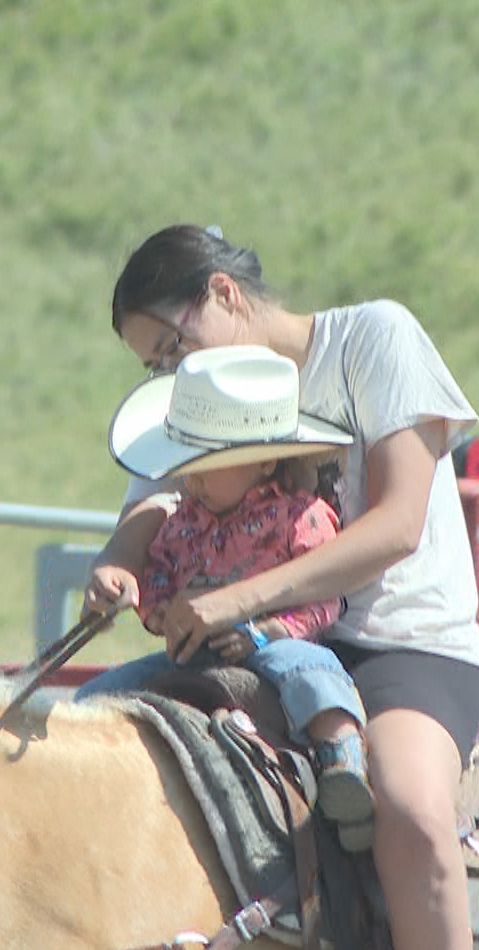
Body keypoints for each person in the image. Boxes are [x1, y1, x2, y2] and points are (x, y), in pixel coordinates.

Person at [81, 224, 479, 950]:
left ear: (223, 296)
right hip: (253, 642)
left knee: (410, 811)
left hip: (400, 645)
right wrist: (119, 567)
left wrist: (238, 597)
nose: (170, 373)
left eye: (173, 346)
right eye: (154, 365)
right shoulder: (200, 395)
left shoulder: (376, 338)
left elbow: (396, 525)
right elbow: (153, 500)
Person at [78, 344, 377, 848]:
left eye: (209, 463)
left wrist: (268, 631)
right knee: (99, 694)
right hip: (192, 652)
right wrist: (156, 609)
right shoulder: (182, 523)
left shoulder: (301, 518)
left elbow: (326, 600)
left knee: (310, 670)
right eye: (188, 463)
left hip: (275, 642)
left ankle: (342, 759)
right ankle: (83, 759)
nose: (190, 476)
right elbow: (160, 579)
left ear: (262, 465)